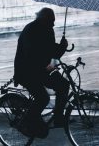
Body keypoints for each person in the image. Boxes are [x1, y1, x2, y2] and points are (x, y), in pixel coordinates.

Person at [13, 7, 70, 138]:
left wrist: (62, 46)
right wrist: (46, 65)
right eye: (52, 20)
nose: (54, 24)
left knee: (63, 85)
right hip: (26, 71)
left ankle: (58, 117)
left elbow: (52, 51)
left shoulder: (48, 30)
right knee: (43, 98)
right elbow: (31, 54)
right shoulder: (30, 30)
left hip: (41, 70)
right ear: (44, 19)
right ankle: (28, 121)